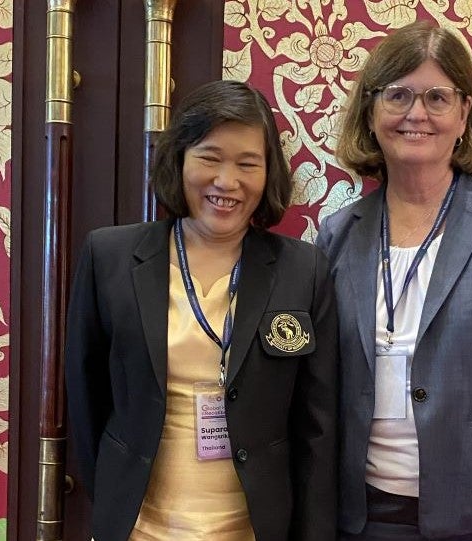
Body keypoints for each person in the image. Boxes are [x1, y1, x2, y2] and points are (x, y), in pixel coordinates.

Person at [316, 21, 472, 541]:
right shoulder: (337, 236)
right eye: (398, 95)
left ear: (464, 114)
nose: (417, 114)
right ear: (371, 109)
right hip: (358, 519)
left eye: (437, 96)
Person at [66, 80, 338, 541]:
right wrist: (113, 493)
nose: (226, 181)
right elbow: (87, 394)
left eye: (247, 164)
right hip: (139, 526)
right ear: (180, 158)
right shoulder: (109, 255)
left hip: (252, 526)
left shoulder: (303, 269)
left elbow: (317, 426)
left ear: (267, 172)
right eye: (209, 158)